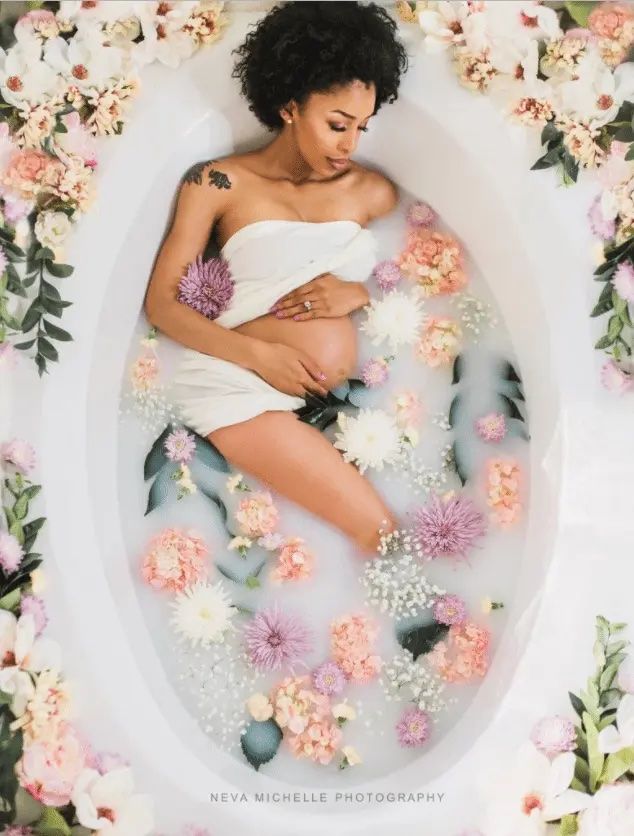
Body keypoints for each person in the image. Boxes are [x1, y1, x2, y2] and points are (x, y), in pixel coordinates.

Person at [143, 1, 409, 555]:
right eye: (337, 124)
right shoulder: (219, 183)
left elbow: (408, 274)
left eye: (362, 126)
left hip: (327, 391)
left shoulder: (370, 192)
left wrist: (360, 294)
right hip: (239, 387)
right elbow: (164, 306)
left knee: (386, 534)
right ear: (289, 105)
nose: (350, 144)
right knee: (379, 533)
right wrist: (261, 358)